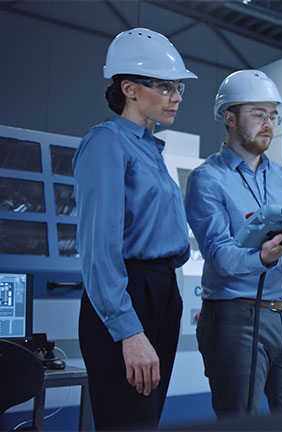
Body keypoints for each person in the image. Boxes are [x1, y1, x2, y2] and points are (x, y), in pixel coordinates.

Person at [185, 69, 282, 418]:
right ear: (229, 117)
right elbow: (220, 256)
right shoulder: (207, 180)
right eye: (258, 114)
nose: (269, 123)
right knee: (239, 418)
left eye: (273, 115)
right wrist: (263, 257)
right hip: (236, 318)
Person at [73, 28, 197, 430]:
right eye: (164, 86)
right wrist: (128, 330)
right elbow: (99, 248)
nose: (176, 96)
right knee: (128, 421)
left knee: (147, 419)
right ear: (128, 88)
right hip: (129, 292)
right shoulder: (106, 143)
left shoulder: (150, 148)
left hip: (162, 290)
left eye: (177, 87)